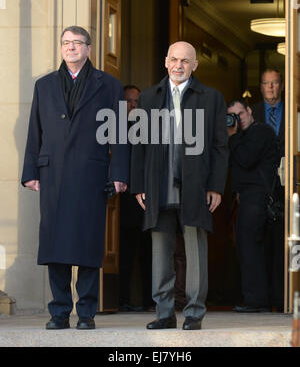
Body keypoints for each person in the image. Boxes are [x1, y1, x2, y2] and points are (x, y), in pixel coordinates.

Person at [21, 26, 129, 330]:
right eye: (66, 43)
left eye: (77, 43)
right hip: (52, 173)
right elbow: (34, 131)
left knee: (88, 244)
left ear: (89, 48)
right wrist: (30, 171)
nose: (71, 47)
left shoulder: (109, 85)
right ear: (61, 48)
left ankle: (86, 313)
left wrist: (119, 173)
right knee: (55, 245)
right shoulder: (44, 85)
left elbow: (120, 134)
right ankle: (58, 313)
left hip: (91, 173)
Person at [130, 41, 228, 330]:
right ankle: (164, 313)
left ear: (195, 65)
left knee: (195, 248)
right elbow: (139, 145)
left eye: (185, 61)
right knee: (161, 250)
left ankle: (194, 312)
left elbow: (220, 147)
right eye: (174, 59)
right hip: (158, 184)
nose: (179, 65)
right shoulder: (149, 97)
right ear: (165, 61)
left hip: (196, 185)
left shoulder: (211, 98)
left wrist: (216, 186)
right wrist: (139, 185)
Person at [227, 100, 279, 312]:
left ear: (250, 111)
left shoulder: (261, 132)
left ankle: (255, 301)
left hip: (257, 198)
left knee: (250, 249)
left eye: (241, 114)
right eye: (232, 116)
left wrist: (232, 136)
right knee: (247, 248)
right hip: (247, 199)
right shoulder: (241, 136)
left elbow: (247, 159)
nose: (238, 120)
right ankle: (257, 299)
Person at [251, 68, 285, 311]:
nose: (270, 88)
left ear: (282, 86)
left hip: (287, 185)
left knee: (283, 244)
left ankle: (281, 298)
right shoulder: (250, 113)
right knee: (257, 243)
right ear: (260, 86)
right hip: (257, 187)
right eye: (266, 83)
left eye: (274, 83)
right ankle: (259, 299)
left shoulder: (295, 109)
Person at [119, 85, 153, 311]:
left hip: (147, 200)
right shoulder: (115, 128)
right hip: (123, 202)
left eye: (136, 101)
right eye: (129, 101)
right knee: (126, 253)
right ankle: (121, 300)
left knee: (149, 253)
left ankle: (151, 301)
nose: (133, 105)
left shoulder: (150, 129)